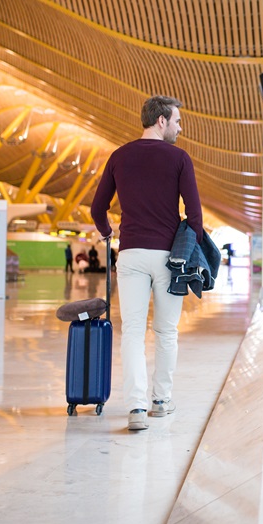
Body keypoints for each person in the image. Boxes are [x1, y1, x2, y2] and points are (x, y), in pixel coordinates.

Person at [91, 95, 204, 432]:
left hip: (131, 255)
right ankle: (160, 401)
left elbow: (98, 209)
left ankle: (136, 408)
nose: (180, 128)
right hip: (169, 257)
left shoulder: (118, 157)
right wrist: (188, 246)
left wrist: (108, 232)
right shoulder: (179, 158)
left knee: (133, 332)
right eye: (177, 121)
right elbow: (195, 215)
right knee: (166, 332)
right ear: (161, 121)